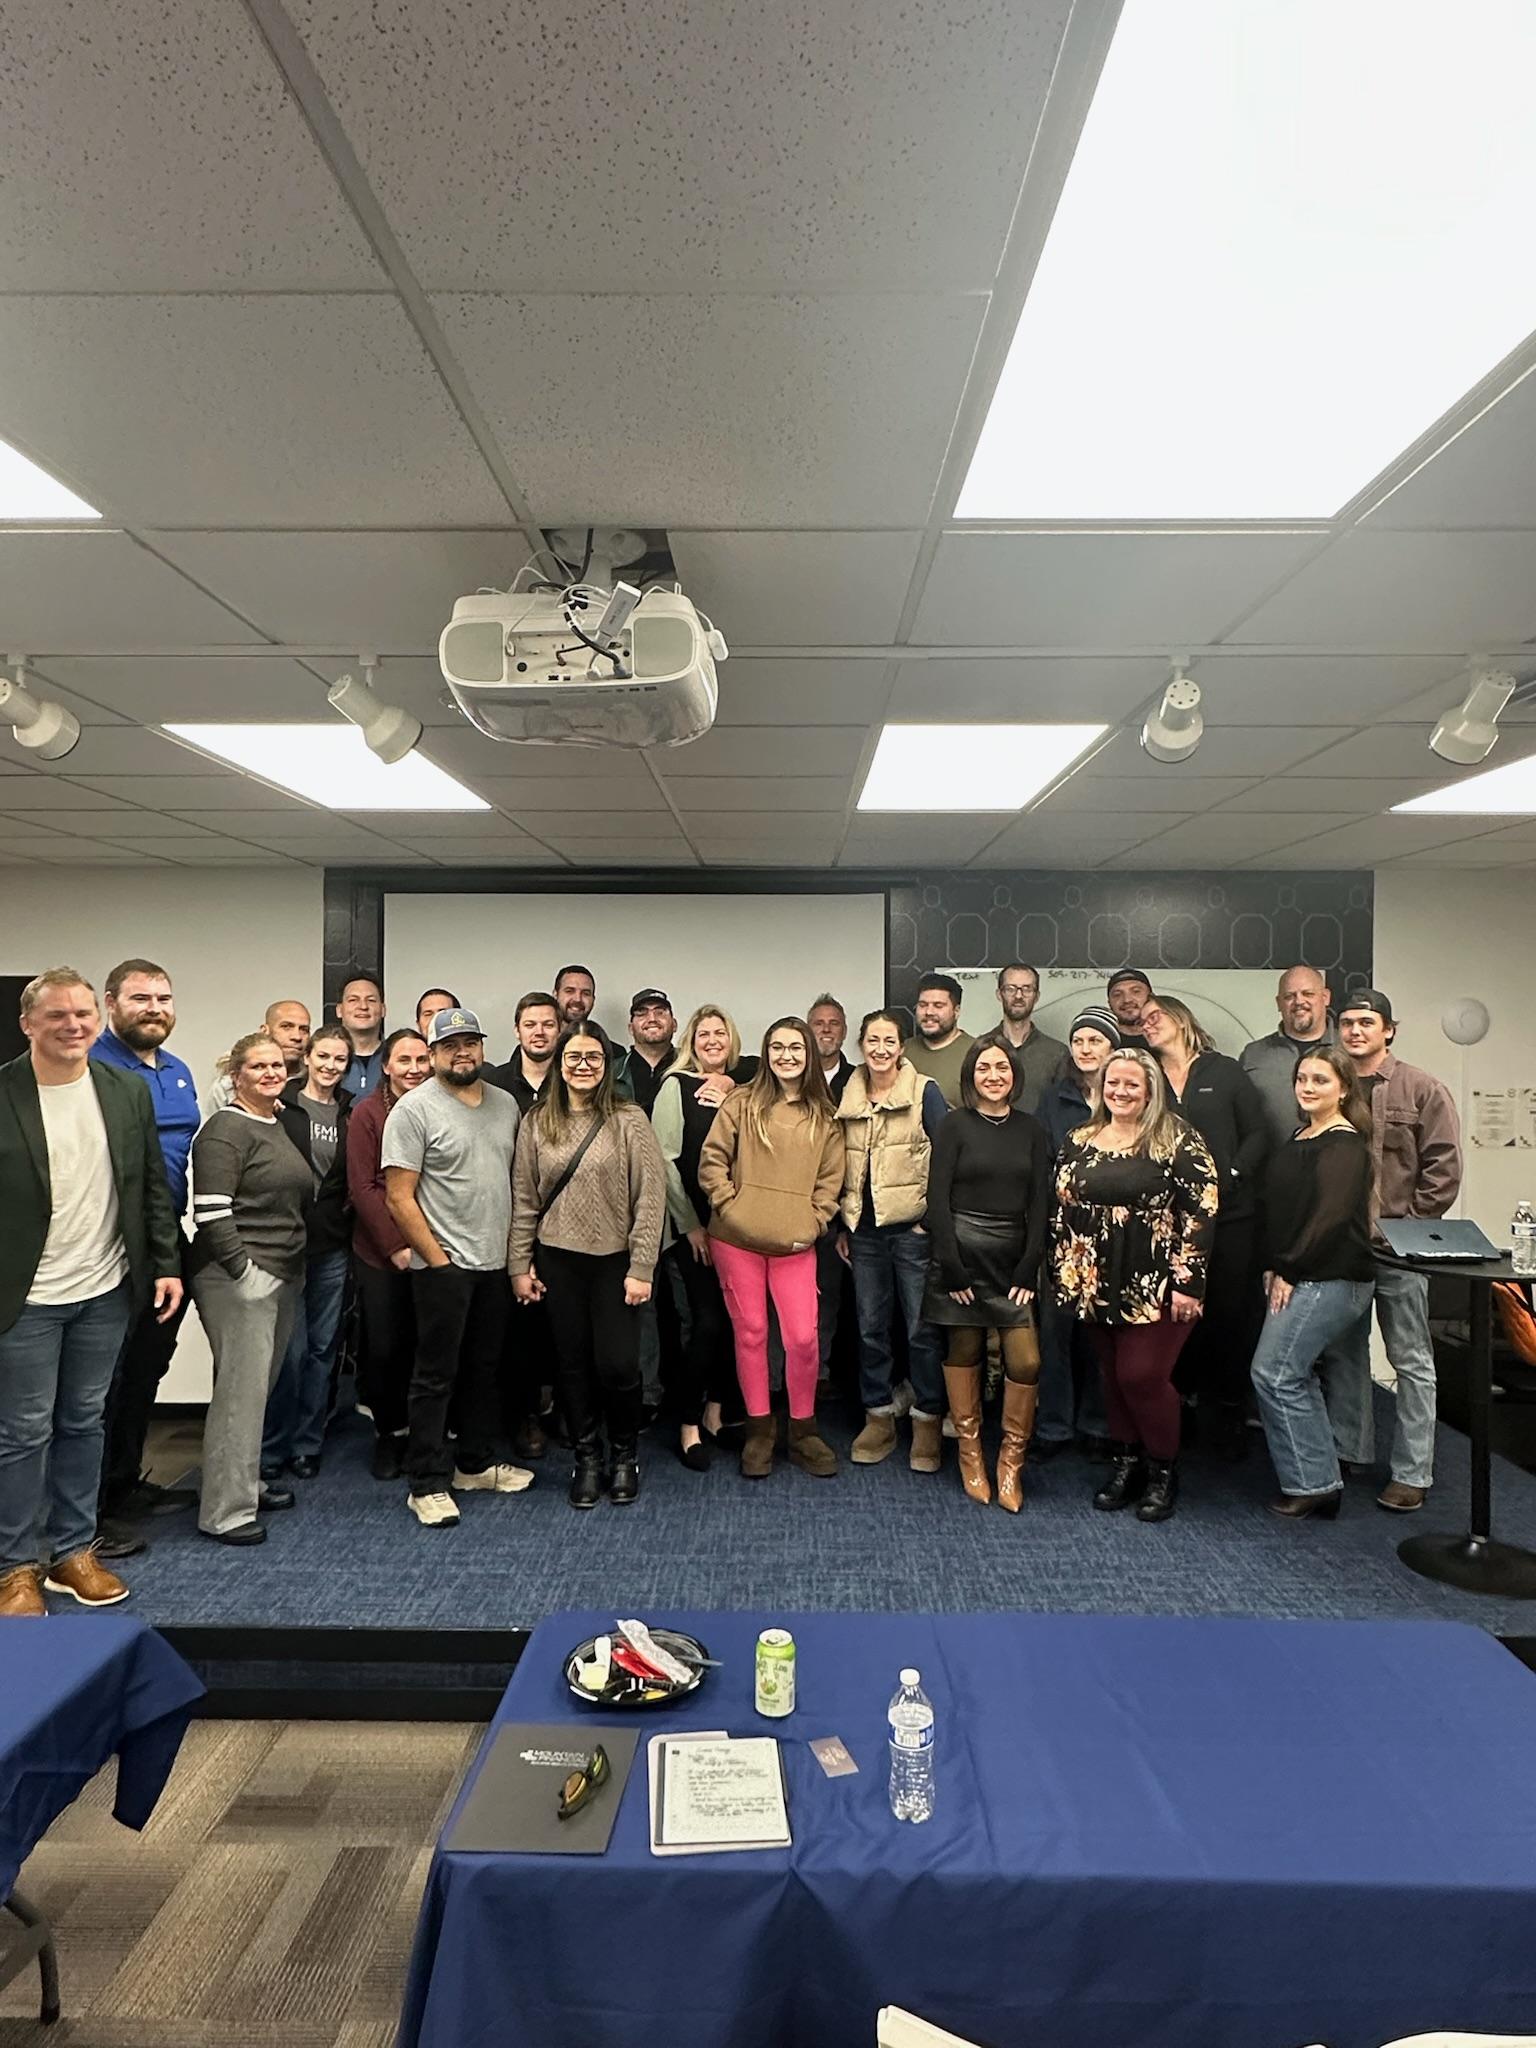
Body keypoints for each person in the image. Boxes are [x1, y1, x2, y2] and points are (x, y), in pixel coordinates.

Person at [0, 969, 181, 1616]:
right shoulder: (5, 1093)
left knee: (84, 1421)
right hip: (25, 1298)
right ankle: (14, 1567)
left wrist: (165, 1262)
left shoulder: (124, 1091)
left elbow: (149, 1188)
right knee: (23, 1433)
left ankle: (73, 1552)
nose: (74, 1025)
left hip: (106, 1288)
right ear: (28, 1023)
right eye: (58, 1015)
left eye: (83, 1014)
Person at [1049, 1048, 1219, 1523]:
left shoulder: (1176, 1139)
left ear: (1150, 1091)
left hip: (1158, 1282)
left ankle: (1163, 1470)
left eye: (1132, 1085)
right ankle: (1127, 1466)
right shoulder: (1080, 1137)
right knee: (1113, 1377)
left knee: (1140, 1376)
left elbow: (1202, 1211)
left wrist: (1189, 1284)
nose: (1120, 1092)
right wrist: (1063, 1272)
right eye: (1113, 1083)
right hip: (1092, 1279)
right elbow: (1061, 1207)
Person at [383, 1006, 532, 1527]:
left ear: (482, 1048)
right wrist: (438, 1262)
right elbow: (399, 1198)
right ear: (432, 1054)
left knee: (485, 1371)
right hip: (443, 1266)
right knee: (434, 1376)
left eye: (470, 1042)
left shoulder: (506, 1104)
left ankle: (474, 1463)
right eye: (450, 1045)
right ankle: (425, 1482)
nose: (462, 1051)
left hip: (495, 1264)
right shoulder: (413, 1110)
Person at [509, 1026, 666, 1508]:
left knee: (617, 1365)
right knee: (571, 1366)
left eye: (593, 1057)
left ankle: (624, 1455)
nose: (583, 1065)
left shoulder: (629, 1119)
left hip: (616, 1262)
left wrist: (643, 1265)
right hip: (558, 1260)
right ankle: (587, 1458)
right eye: (573, 1056)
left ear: (606, 1063)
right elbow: (524, 1197)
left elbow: (651, 1197)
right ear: (559, 1062)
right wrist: (518, 1263)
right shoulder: (538, 1121)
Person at [1321, 990, 1462, 1512]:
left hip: (1400, 1253)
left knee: (1410, 1359)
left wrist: (1410, 1229)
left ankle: (1412, 1471)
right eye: (1349, 1023)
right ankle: (1348, 1449)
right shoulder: (1330, 1085)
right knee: (1343, 1353)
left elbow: (1443, 1168)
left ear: (1389, 1030)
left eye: (1367, 1023)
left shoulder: (1421, 1088)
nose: (1356, 1031)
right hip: (1343, 1248)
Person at [698, 1018, 845, 1479]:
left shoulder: (825, 1115)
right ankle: (760, 1430)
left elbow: (830, 1183)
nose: (786, 1055)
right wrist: (730, 1207)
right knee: (752, 1333)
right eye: (777, 1047)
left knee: (802, 1338)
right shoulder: (741, 1102)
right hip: (735, 1240)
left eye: (795, 1047)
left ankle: (803, 1431)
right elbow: (712, 1162)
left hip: (794, 1243)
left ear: (808, 1054)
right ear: (765, 1053)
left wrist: (815, 1221)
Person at [90, 957, 200, 1558]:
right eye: (140, 998)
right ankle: (88, 1514)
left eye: (163, 997)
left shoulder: (178, 1071)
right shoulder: (95, 1068)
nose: (154, 1008)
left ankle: (126, 1483)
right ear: (112, 1004)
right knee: (98, 1383)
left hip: (167, 1239)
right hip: (112, 1244)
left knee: (145, 1371)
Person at [188, 1031, 313, 1547]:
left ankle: (248, 1484)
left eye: (277, 1065)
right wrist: (245, 1272)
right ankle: (225, 1511)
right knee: (240, 1395)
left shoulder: (276, 1122)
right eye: (258, 1066)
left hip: (280, 1272)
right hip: (238, 1277)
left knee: (256, 1389)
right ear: (235, 1074)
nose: (270, 1072)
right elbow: (212, 1211)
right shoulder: (224, 1129)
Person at [923, 1036, 1052, 1511]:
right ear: (971, 1075)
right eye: (983, 1068)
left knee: (1027, 1361)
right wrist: (951, 1266)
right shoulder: (954, 1125)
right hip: (960, 1261)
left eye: (1001, 1067)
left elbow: (1041, 1201)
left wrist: (1030, 1262)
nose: (993, 1075)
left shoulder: (1033, 1129)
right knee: (965, 1350)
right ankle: (972, 1456)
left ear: (1014, 1074)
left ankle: (1011, 1464)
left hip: (1013, 1263)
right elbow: (937, 1199)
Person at [1140, 994, 1270, 1459]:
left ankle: (1229, 1414)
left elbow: (1258, 1132)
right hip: (1167, 1222)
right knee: (1176, 1317)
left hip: (1231, 1217)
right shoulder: (1148, 1076)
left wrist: (1232, 1175)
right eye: (1142, 1020)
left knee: (1229, 1315)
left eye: (1156, 1015)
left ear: (1180, 1019)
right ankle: (1183, 1411)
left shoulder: (1225, 1071)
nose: (1147, 1023)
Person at [1249, 1045, 1377, 1518]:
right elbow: (1282, 1209)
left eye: (1320, 1080)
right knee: (1294, 1372)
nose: (1307, 1087)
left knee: (1276, 1373)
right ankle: (1323, 1472)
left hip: (1329, 1276)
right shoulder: (1302, 1135)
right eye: (1302, 1079)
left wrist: (1289, 1269)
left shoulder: (1345, 1145)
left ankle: (1315, 1482)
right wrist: (1272, 1262)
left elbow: (1329, 1219)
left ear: (1344, 1088)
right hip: (1302, 1271)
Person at [835, 1010, 949, 1472]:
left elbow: (948, 1157)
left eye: (889, 1040)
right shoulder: (849, 1092)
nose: (881, 1049)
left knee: (921, 1331)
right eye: (872, 1040)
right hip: (863, 1233)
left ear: (902, 1047)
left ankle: (926, 1418)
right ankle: (878, 1413)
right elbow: (837, 1161)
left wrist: (930, 1222)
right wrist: (844, 1223)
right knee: (869, 1327)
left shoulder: (925, 1092)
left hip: (911, 1231)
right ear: (861, 1045)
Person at [651, 1007, 752, 1470]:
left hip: (737, 1228)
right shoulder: (676, 1086)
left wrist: (734, 1086)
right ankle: (688, 1422)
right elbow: (665, 1161)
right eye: (704, 1034)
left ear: (731, 1042)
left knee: (736, 1323)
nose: (712, 1040)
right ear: (691, 1042)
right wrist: (691, 1224)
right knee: (707, 1323)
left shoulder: (745, 1090)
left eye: (720, 1034)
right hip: (692, 1228)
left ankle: (716, 1414)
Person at [261, 1025, 354, 1481]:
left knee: (322, 1349)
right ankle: (273, 1445)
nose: (331, 1066)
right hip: (285, 1243)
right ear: (309, 1057)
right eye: (324, 1056)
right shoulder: (283, 1103)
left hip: (332, 1245)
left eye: (340, 1059)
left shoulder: (352, 1111)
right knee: (290, 1351)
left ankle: (307, 1443)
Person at [1034, 1007, 1121, 1459]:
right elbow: (1041, 1161)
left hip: (1114, 1239)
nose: (1086, 1049)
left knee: (1099, 1337)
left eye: (1096, 1041)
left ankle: (1097, 1423)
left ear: (1113, 1048)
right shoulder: (1055, 1099)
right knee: (1055, 1334)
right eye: (1080, 1041)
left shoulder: (1127, 1096)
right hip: (1062, 1236)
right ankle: (1052, 1427)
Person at [347, 1028, 432, 1481]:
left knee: (428, 1346)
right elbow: (362, 1188)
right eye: (405, 1060)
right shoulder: (366, 1114)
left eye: (422, 1059)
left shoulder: (441, 1105)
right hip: (382, 1253)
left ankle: (427, 1435)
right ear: (387, 1065)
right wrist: (397, 1245)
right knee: (385, 1348)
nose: (415, 1069)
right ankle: (390, 1435)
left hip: (434, 1248)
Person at [1240, 966, 1334, 1151]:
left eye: (1308, 993)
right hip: (1268, 1173)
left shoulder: (1349, 1050)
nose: (1299, 1001)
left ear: (1325, 997)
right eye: (1289, 996)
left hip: (1336, 1171)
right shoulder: (1253, 1054)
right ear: (1278, 1003)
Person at [205, 998, 311, 1110]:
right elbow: (215, 1125)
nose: (297, 1037)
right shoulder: (229, 1083)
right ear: (265, 1031)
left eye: (304, 1030)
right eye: (286, 1027)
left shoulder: (314, 1079)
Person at [992, 964, 1067, 1117]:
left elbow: (1062, 1111)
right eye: (1010, 989)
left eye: (1027, 989)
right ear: (999, 994)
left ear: (1037, 996)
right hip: (986, 1137)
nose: (1018, 996)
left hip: (1040, 1139)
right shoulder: (982, 1048)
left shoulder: (1057, 1052)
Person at [902, 974, 974, 1109]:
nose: (929, 1012)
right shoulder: (901, 1051)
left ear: (956, 1011)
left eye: (938, 1005)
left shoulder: (976, 1052)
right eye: (923, 1005)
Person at [490, 991, 562, 1114]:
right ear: (517, 1031)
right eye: (530, 1025)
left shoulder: (571, 1081)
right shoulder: (494, 1083)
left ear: (560, 1031)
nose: (539, 1032)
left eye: (548, 1025)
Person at [615, 988, 678, 1114]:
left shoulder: (693, 1067)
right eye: (641, 1013)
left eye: (660, 1012)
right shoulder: (611, 1074)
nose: (652, 1019)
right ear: (631, 1028)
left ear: (674, 1025)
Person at [338, 972, 386, 1098]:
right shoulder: (325, 1058)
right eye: (353, 1000)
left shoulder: (395, 1056)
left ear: (383, 1010)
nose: (363, 1006)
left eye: (371, 1000)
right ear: (339, 1010)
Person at [808, 994, 855, 1105]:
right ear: (807, 1031)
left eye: (834, 1023)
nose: (826, 1029)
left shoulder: (859, 1078)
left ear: (844, 1032)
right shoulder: (794, 1077)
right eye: (819, 1023)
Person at [1105, 970, 1154, 1052]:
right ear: (1109, 1003)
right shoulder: (1102, 1042)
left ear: (1151, 997)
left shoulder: (1166, 1039)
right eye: (1117, 995)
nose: (1127, 1000)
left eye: (1136, 991)